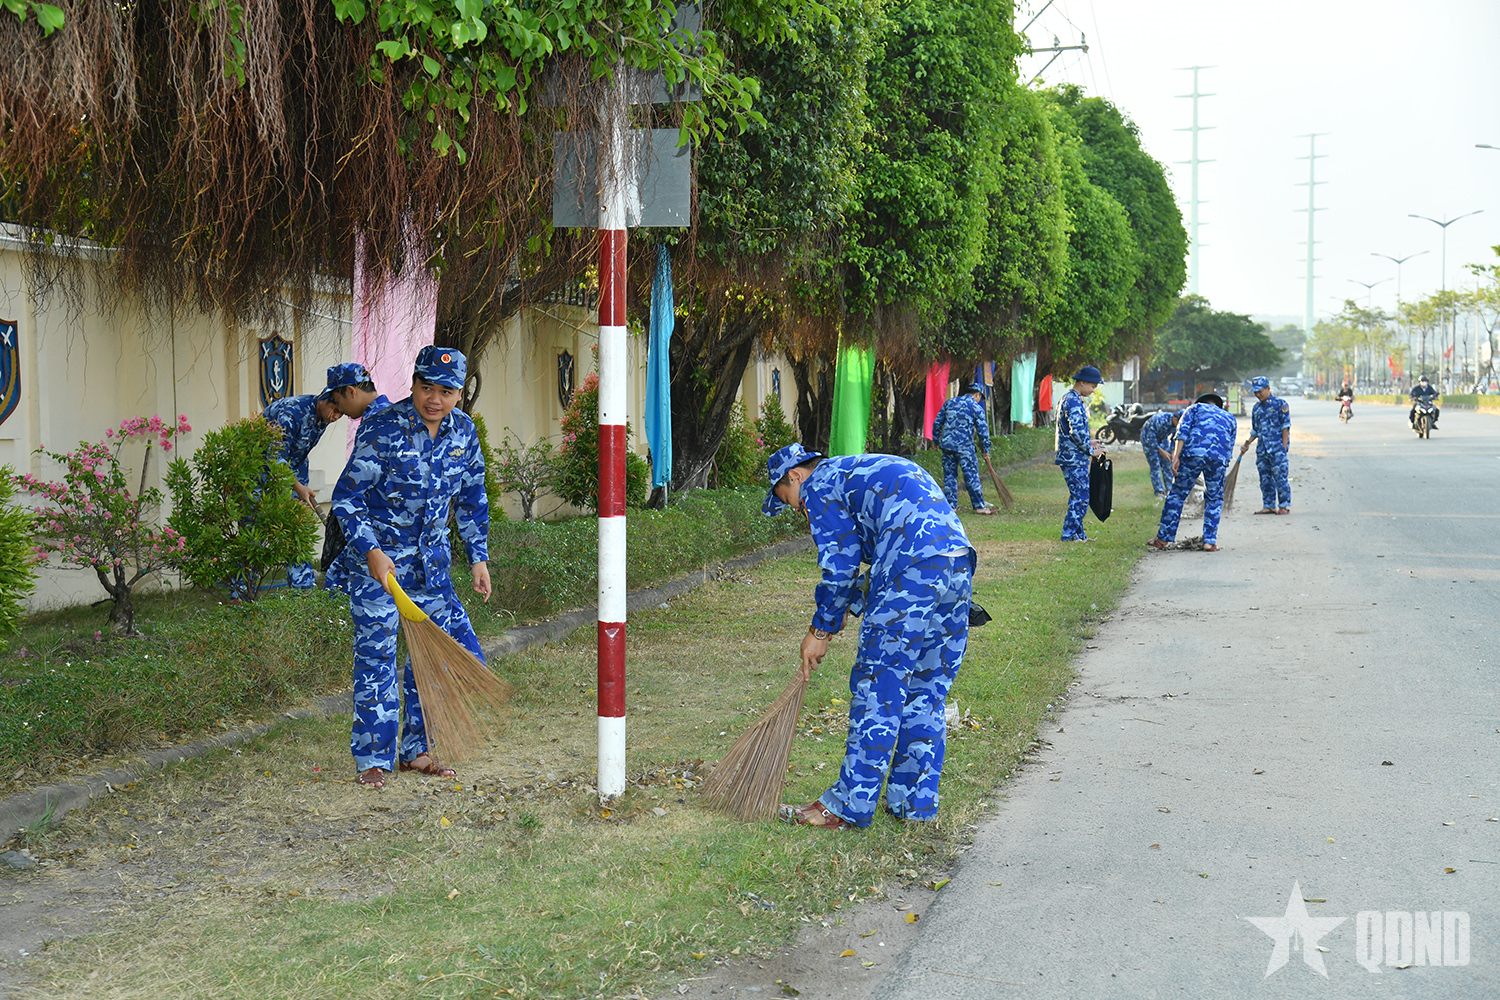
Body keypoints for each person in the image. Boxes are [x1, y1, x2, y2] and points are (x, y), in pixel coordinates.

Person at [763, 443, 974, 831]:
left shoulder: (819, 486)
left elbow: (840, 566)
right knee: (925, 690)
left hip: (910, 565)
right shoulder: (858, 471)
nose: (798, 510)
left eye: (788, 500)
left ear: (795, 476)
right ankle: (913, 804)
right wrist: (848, 605)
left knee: (880, 687)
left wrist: (819, 631)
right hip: (956, 562)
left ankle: (847, 806)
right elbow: (878, 545)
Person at [330, 346, 491, 789]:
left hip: (432, 571)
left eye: (444, 391)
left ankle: (415, 751)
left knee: (445, 658)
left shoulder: (464, 434)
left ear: (459, 393)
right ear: (414, 385)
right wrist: (370, 550)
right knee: (378, 659)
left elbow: (473, 497)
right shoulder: (383, 427)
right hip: (379, 570)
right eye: (425, 388)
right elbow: (347, 497)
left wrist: (478, 557)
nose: (432, 399)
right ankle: (372, 760)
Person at [263, 362, 370, 588]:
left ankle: (303, 588)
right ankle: (241, 591)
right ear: (324, 399)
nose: (338, 416)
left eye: (342, 412)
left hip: (294, 476)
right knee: (255, 531)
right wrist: (296, 485)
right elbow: (273, 456)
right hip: (262, 478)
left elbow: (298, 455)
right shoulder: (292, 412)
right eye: (337, 409)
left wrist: (299, 485)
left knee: (297, 529)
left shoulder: (323, 417)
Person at [1148, 393, 1237, 553]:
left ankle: (1163, 539)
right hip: (1218, 459)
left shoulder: (1193, 409)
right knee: (1214, 498)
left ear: (1201, 402)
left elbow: (1181, 433)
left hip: (1193, 455)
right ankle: (1209, 542)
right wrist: (1223, 467)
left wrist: (1175, 457)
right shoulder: (1229, 417)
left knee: (1177, 495)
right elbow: (1229, 446)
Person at [1055, 366, 1105, 542]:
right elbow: (1076, 431)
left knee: (1080, 495)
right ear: (1082, 382)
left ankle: (1078, 535)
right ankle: (1068, 535)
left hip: (1073, 454)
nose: (1093, 390)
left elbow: (1071, 432)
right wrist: (1091, 450)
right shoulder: (1074, 402)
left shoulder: (1069, 399)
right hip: (1073, 458)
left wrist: (1089, 443)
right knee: (1081, 497)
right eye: (1092, 386)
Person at [931, 382, 996, 515]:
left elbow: (937, 422)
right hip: (965, 447)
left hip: (947, 445)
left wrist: (936, 441)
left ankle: (951, 506)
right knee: (971, 476)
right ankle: (979, 506)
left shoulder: (950, 402)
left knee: (949, 476)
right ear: (977, 395)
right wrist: (985, 449)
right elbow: (983, 431)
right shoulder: (975, 408)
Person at [1241, 376, 1291, 515]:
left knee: (1280, 478)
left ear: (1268, 389)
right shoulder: (1256, 408)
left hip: (1277, 449)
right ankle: (1268, 505)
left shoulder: (1280, 404)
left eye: (1260, 391)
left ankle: (1283, 505)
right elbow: (1255, 430)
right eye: (1255, 393)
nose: (1258, 395)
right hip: (1262, 450)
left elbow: (1285, 427)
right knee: (1265, 479)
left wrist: (1283, 447)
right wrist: (1247, 443)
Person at [1138, 408, 1182, 498]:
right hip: (1148, 439)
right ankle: (1159, 492)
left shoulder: (1177, 426)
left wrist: (1174, 455)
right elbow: (1151, 438)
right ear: (1175, 419)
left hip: (1162, 439)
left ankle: (1169, 489)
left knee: (1168, 463)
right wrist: (1162, 452)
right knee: (1155, 466)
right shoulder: (1160, 420)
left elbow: (1174, 440)